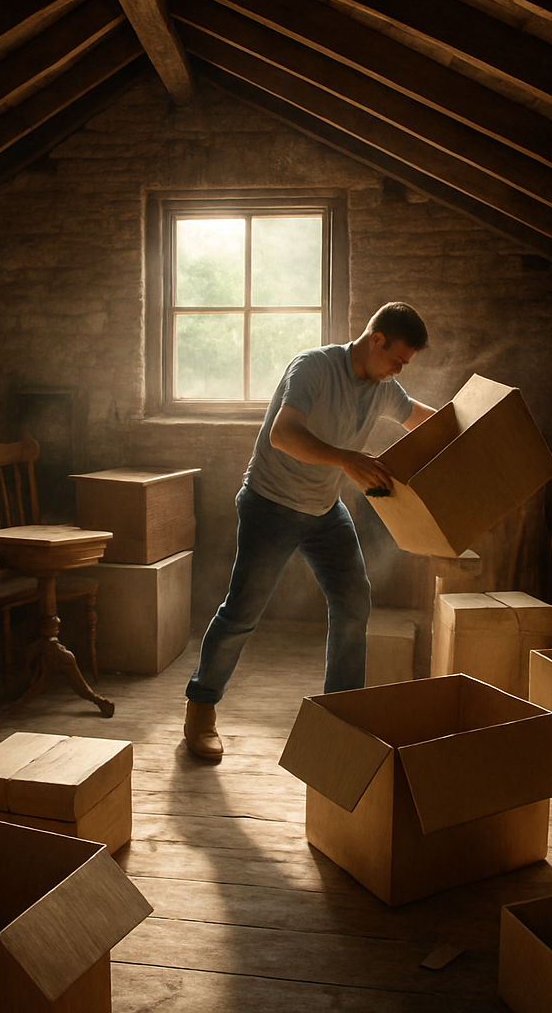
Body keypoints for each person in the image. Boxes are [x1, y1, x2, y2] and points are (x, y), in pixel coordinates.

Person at [183, 301, 437, 760]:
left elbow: (426, 421)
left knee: (354, 601)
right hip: (270, 506)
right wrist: (348, 459)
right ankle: (201, 708)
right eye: (397, 359)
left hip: (323, 511)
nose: (399, 370)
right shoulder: (313, 367)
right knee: (242, 612)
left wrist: (477, 428)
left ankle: (340, 714)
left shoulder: (383, 386)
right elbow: (283, 434)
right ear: (376, 339)